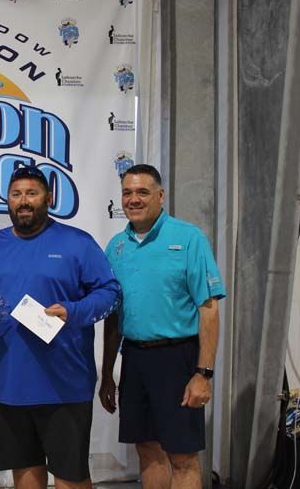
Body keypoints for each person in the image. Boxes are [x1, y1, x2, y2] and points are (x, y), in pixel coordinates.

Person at [0, 165, 121, 489]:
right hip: (7, 386)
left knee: (71, 478)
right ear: (8, 201)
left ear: (49, 198)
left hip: (64, 386)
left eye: (32, 193)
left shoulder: (77, 243)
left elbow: (110, 294)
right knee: (25, 476)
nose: (24, 201)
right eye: (16, 194)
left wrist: (74, 310)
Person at [99, 164, 225, 489]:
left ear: (160, 195)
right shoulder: (115, 247)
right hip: (135, 360)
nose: (134, 199)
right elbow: (112, 317)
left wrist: (204, 374)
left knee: (182, 456)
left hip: (179, 360)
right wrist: (107, 375)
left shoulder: (188, 238)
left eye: (142, 192)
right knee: (148, 451)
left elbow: (209, 311)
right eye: (127, 192)